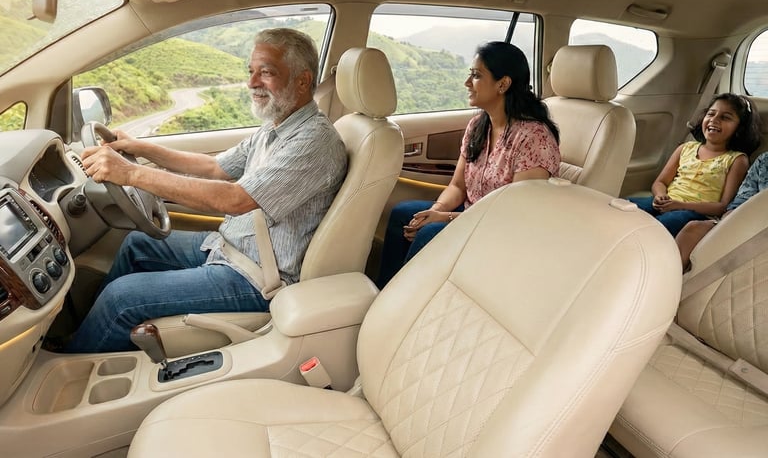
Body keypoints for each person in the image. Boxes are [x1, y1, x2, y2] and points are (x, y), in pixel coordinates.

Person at [64, 28, 348, 353]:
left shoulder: (315, 141)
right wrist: (141, 148)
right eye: (251, 71)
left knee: (121, 298)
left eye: (266, 72)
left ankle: (73, 361)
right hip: (230, 247)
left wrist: (130, 173)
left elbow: (235, 199)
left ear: (302, 80)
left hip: (258, 276)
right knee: (136, 245)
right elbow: (215, 167)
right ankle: (95, 336)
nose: (251, 82)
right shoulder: (276, 128)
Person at [376, 41, 561, 289]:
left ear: (503, 84)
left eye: (476, 75)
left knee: (430, 234)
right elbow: (458, 186)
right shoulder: (477, 126)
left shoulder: (533, 138)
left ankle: (406, 300)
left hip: (502, 228)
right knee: (404, 214)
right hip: (470, 215)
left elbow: (515, 213)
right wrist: (435, 210)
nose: (467, 83)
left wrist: (445, 219)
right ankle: (385, 291)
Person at [627, 93, 760, 236]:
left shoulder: (737, 160)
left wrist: (680, 205)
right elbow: (660, 182)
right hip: (668, 201)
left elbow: (723, 206)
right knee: (624, 207)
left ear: (739, 128)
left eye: (725, 117)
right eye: (711, 114)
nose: (714, 120)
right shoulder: (686, 148)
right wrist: (660, 196)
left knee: (660, 226)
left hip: (695, 212)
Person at [676, 150, 768, 271]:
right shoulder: (764, 160)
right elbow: (741, 200)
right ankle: (670, 279)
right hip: (747, 223)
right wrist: (727, 220)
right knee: (693, 230)